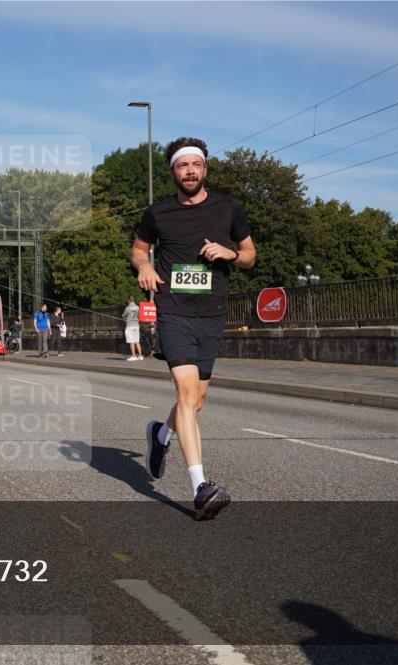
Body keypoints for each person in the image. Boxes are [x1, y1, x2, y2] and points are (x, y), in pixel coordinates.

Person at [133, 136, 256, 521]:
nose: (190, 171)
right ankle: (200, 487)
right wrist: (144, 266)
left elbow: (250, 255)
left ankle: (161, 436)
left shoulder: (228, 208)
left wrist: (231, 254)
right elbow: (138, 249)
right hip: (173, 311)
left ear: (205, 169)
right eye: (182, 166)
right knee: (186, 393)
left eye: (196, 165)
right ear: (172, 172)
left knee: (197, 400)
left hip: (212, 312)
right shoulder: (158, 213)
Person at [123, 295, 143, 361]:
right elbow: (139, 315)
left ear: (128, 300)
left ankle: (133, 356)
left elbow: (123, 315)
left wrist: (125, 318)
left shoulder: (127, 308)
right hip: (136, 325)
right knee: (137, 341)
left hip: (130, 326)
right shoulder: (137, 307)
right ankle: (140, 356)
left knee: (131, 341)